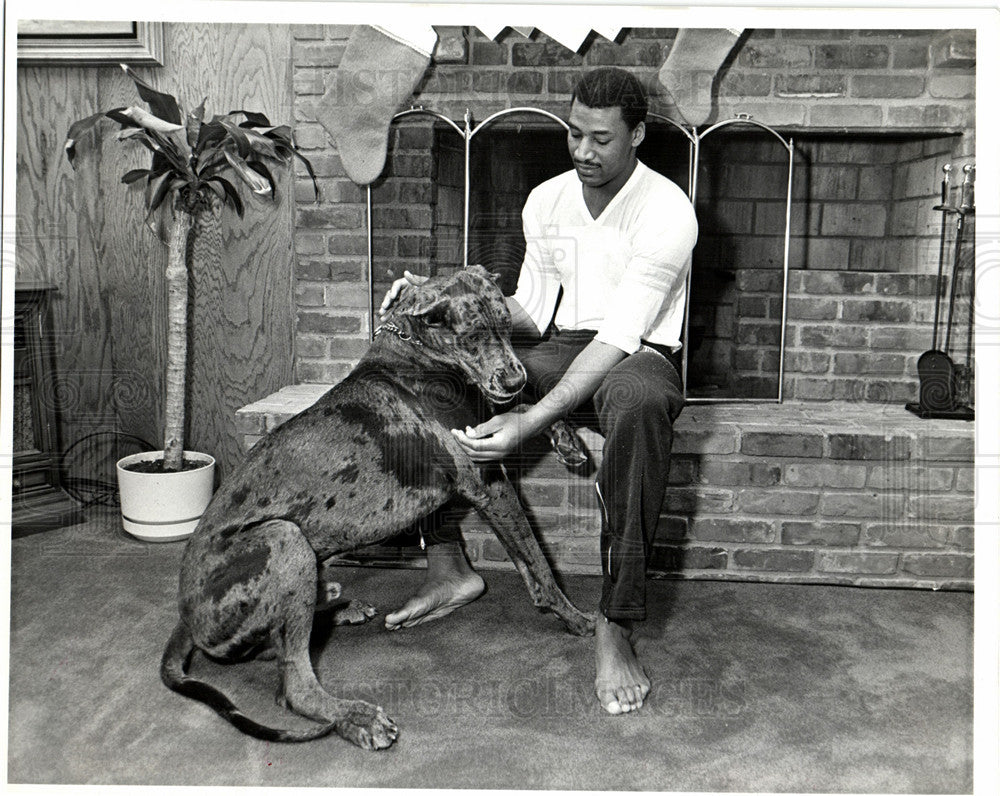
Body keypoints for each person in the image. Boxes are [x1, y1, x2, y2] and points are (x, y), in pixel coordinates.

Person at [379, 67, 698, 715]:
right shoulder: (548, 199)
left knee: (638, 406)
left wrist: (528, 421)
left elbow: (619, 339)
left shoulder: (668, 211)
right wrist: (435, 297)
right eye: (574, 133)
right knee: (437, 373)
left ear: (636, 135)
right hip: (563, 344)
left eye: (601, 139)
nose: (583, 150)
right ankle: (447, 564)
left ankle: (616, 622)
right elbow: (530, 309)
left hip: (639, 354)